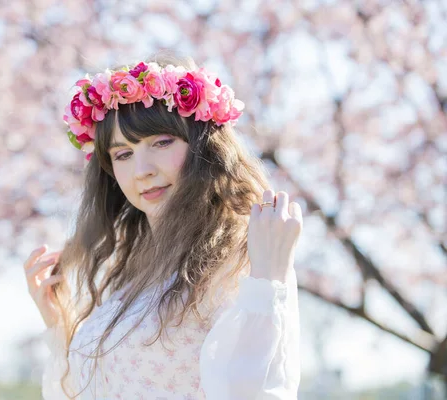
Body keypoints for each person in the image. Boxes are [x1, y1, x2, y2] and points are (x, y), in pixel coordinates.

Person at [23, 53, 302, 399]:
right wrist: (60, 325)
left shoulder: (240, 257)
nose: (142, 170)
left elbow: (252, 392)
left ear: (205, 147)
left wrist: (267, 282)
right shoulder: (130, 276)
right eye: (123, 154)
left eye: (162, 143)